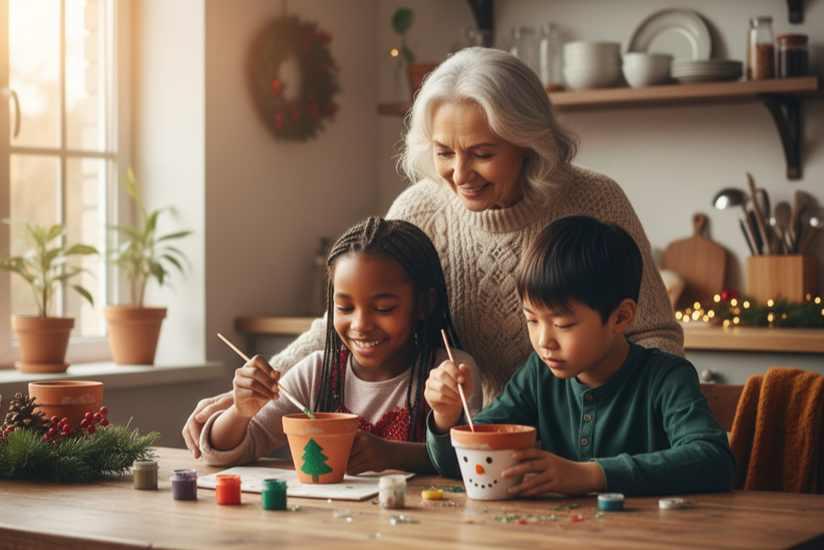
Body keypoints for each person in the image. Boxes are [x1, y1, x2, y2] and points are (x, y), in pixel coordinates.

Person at [184, 47, 682, 457]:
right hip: (473, 446)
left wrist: (601, 426)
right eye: (445, 152)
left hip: (592, 444)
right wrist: (252, 391)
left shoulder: (595, 199)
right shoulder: (420, 208)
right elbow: (339, 322)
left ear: (528, 143)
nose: (460, 174)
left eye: (482, 153)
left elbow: (654, 335)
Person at [424, 215, 736, 497]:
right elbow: (458, 464)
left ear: (621, 316)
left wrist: (593, 475)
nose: (544, 341)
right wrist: (445, 416)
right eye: (532, 320)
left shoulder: (666, 378)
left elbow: (715, 460)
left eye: (563, 325)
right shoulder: (538, 375)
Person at [199, 217, 481, 474]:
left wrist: (392, 454)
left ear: (423, 304)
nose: (360, 325)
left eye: (383, 309)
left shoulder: (448, 371)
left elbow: (471, 459)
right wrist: (240, 412)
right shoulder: (317, 373)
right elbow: (221, 454)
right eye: (345, 307)